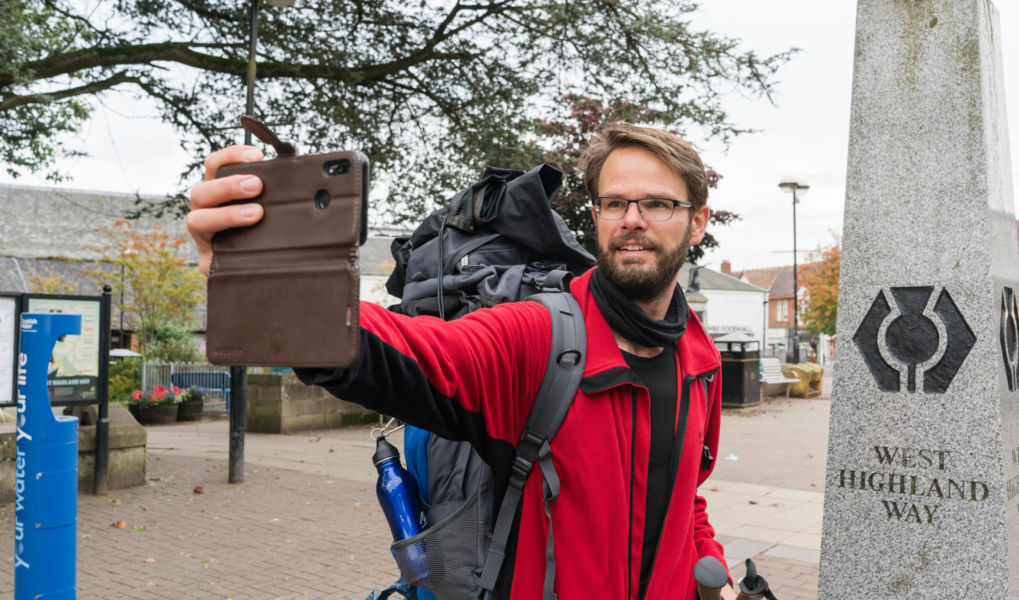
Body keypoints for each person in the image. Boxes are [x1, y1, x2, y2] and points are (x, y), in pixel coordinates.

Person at [187, 124, 736, 599]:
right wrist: (281, 293)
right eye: (615, 203)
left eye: (658, 204)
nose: (632, 219)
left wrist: (717, 577)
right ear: (597, 215)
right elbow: (415, 352)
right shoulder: (540, 335)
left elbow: (684, 493)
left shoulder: (699, 357)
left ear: (697, 221)